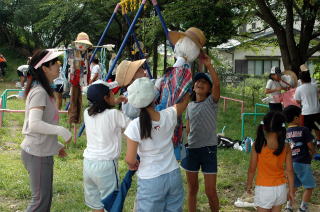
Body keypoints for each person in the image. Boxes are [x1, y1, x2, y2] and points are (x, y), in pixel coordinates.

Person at [124, 77, 189, 212]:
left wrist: (133, 163)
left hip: (150, 180)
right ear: (154, 98)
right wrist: (187, 87)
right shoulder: (168, 114)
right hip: (173, 174)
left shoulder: (134, 126)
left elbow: (130, 159)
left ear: (134, 103)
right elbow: (184, 102)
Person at [21, 49, 72, 212]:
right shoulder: (39, 92)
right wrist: (61, 130)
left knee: (44, 200)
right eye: (54, 63)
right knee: (40, 203)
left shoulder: (44, 90)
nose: (58, 65)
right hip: (37, 154)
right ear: (44, 68)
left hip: (41, 152)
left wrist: (55, 145)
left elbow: (42, 125)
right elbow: (34, 124)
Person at [180, 53, 220, 212]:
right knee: (192, 190)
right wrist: (184, 145)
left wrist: (209, 65)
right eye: (198, 81)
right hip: (191, 151)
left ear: (209, 89)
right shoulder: (189, 106)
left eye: (205, 82)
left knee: (210, 191)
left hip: (209, 150)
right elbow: (187, 127)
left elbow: (217, 85)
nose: (200, 83)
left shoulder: (212, 102)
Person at [83, 82, 130, 212]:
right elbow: (132, 127)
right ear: (105, 98)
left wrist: (112, 102)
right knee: (112, 206)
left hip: (88, 164)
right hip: (106, 166)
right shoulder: (114, 114)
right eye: (111, 94)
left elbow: (102, 114)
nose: (114, 94)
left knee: (97, 205)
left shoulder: (86, 113)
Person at [246, 111, 294, 212]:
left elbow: (252, 169)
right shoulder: (286, 147)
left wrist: (249, 184)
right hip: (281, 189)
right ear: (281, 129)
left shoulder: (257, 145)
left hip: (264, 189)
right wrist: (291, 190)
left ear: (263, 128)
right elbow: (289, 171)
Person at [283, 105, 317, 212]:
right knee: (309, 186)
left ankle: (288, 207)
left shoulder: (285, 133)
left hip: (290, 164)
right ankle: (303, 208)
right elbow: (310, 145)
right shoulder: (304, 130)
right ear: (296, 118)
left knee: (293, 186)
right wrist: (314, 153)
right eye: (300, 116)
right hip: (302, 163)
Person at [295, 71, 320, 148]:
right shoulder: (315, 86)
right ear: (309, 78)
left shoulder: (299, 89)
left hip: (306, 112)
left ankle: (307, 143)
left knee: (305, 129)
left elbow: (297, 101)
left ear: (301, 80)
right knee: (317, 127)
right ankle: (319, 141)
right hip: (317, 110)